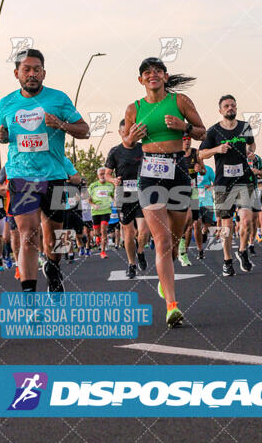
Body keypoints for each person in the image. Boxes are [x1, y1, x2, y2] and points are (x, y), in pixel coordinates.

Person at [0, 49, 89, 293]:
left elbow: (85, 130)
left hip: (55, 176)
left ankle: (54, 267)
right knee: (28, 234)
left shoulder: (58, 99)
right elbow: (5, 134)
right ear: (17, 73)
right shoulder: (6, 103)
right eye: (26, 69)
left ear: (44, 73)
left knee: (55, 238)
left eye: (37, 69)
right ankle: (29, 295)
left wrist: (60, 124)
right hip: (21, 176)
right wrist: (2, 136)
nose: (32, 74)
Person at [123, 57, 205, 327]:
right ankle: (172, 305)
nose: (153, 75)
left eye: (158, 71)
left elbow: (203, 133)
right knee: (161, 240)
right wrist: (131, 138)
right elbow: (125, 142)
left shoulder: (180, 102)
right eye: (147, 72)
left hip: (178, 170)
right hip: (149, 175)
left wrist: (185, 128)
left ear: (166, 76)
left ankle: (166, 272)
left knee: (174, 238)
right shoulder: (134, 108)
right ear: (141, 80)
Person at [199, 95, 256, 276]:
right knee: (226, 225)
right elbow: (201, 153)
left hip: (243, 180)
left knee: (246, 220)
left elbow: (252, 145)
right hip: (223, 183)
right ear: (220, 110)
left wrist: (250, 152)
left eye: (233, 105)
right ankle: (227, 259)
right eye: (226, 106)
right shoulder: (214, 131)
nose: (230, 108)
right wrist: (217, 149)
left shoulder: (244, 127)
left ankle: (242, 250)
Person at [105, 119, 149, 278]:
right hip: (124, 195)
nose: (128, 136)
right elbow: (107, 174)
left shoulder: (143, 148)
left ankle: (141, 251)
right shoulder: (115, 151)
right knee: (128, 233)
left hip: (142, 194)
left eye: (131, 133)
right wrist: (113, 180)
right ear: (120, 133)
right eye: (125, 133)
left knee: (144, 231)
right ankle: (131, 264)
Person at [179, 135, 206, 266]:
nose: (187, 141)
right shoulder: (176, 153)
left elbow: (204, 171)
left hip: (193, 192)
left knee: (194, 223)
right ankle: (182, 251)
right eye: (184, 139)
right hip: (178, 193)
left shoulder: (196, 153)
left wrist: (200, 170)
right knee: (187, 220)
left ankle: (186, 250)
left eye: (189, 139)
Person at [88, 167, 114, 258]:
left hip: (106, 210)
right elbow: (89, 199)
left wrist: (115, 202)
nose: (103, 176)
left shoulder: (111, 185)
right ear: (98, 176)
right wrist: (93, 205)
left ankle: (103, 251)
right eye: (101, 174)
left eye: (104, 174)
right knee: (96, 232)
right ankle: (97, 236)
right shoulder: (93, 185)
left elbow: (114, 196)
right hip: (95, 211)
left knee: (104, 230)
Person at [197, 163, 216, 257]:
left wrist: (211, 187)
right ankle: (200, 250)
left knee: (207, 224)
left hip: (207, 200)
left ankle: (204, 231)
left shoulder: (209, 169)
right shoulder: (191, 170)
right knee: (197, 223)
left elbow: (216, 182)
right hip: (195, 200)